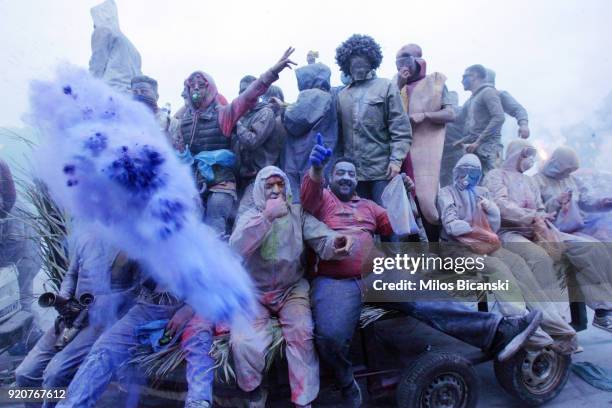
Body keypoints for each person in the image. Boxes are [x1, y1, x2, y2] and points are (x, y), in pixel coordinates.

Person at [301, 142, 542, 407]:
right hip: (336, 281)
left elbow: (400, 224)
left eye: (351, 174)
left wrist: (407, 197)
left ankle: (497, 332)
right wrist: (316, 168)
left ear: (357, 180)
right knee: (330, 337)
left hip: (376, 273)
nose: (346, 177)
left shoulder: (369, 206)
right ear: (331, 178)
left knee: (427, 296)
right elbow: (308, 196)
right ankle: (347, 383)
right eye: (340, 173)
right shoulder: (321, 200)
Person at [229, 166, 352, 408]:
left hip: (291, 289)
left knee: (302, 332)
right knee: (243, 341)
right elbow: (235, 248)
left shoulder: (297, 213)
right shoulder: (249, 214)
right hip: (254, 292)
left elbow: (321, 236)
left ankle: (303, 400)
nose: (276, 191)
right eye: (269, 186)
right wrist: (266, 216)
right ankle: (254, 390)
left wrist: (336, 242)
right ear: (259, 191)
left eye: (280, 185)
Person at [438, 154, 578, 352]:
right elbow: (452, 227)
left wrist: (491, 211)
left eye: (473, 173)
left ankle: (558, 329)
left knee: (519, 266)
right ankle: (519, 325)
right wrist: (476, 225)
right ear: (455, 172)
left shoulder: (482, 193)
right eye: (463, 172)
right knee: (498, 269)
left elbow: (493, 228)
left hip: (485, 244)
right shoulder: (447, 193)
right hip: (456, 250)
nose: (467, 178)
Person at [484, 140, 612, 332]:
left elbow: (541, 208)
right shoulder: (496, 176)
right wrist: (535, 214)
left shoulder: (528, 180)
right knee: (542, 258)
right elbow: (500, 205)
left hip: (540, 229)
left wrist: (544, 217)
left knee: (587, 247)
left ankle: (603, 311)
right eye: (527, 155)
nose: (530, 160)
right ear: (516, 154)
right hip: (510, 231)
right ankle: (555, 324)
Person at [172, 48, 296, 236]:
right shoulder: (184, 119)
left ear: (210, 88)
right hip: (194, 179)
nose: (196, 88)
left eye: (201, 85)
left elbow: (248, 96)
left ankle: (218, 261)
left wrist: (272, 72)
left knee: (216, 218)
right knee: (189, 221)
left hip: (221, 181)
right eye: (192, 85)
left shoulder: (224, 114)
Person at [56, 265, 216, 408]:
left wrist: (190, 308)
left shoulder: (202, 236)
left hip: (197, 307)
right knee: (103, 351)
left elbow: (221, 268)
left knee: (199, 340)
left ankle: (198, 401)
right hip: (148, 306)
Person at [15, 226, 138, 408]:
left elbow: (141, 291)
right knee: (24, 374)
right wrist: (63, 298)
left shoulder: (134, 242)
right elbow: (72, 274)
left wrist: (108, 302)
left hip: (101, 323)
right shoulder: (86, 235)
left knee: (55, 375)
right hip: (71, 317)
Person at [335, 34, 412, 205]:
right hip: (353, 175)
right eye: (354, 59)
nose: (358, 63)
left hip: (383, 172)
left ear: (372, 59)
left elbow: (401, 129)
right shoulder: (342, 96)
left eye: (363, 58)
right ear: (346, 63)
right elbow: (339, 138)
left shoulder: (386, 87)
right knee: (360, 224)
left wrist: (396, 160)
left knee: (388, 224)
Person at [394, 43, 455, 227]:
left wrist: (425, 116)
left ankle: (436, 248)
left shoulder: (435, 82)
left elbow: (451, 114)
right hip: (400, 153)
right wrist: (398, 85)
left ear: (419, 60)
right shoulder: (396, 85)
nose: (402, 65)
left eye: (406, 59)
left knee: (428, 202)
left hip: (427, 155)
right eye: (398, 61)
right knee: (404, 203)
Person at [281, 62, 338, 201]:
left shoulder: (313, 95)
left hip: (302, 154)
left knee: (299, 199)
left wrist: (283, 110)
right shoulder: (330, 96)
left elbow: (294, 118)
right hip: (322, 150)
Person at [234, 76, 286, 217]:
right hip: (242, 178)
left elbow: (252, 141)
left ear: (258, 92)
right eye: (241, 91)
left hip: (259, 178)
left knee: (243, 218)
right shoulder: (243, 115)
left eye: (248, 90)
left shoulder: (265, 113)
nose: (244, 94)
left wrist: (237, 124)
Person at [456, 64, 505, 174]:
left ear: (474, 76)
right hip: (476, 149)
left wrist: (478, 142)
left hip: (489, 149)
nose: (462, 81)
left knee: (492, 182)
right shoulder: (472, 99)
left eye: (464, 77)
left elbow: (499, 118)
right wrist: (463, 141)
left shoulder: (488, 92)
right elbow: (473, 127)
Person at [88, 0, 142, 92]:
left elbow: (97, 65)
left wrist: (86, 87)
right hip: (131, 97)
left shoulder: (103, 30)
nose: (93, 26)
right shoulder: (131, 47)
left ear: (99, 16)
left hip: (111, 91)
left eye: (94, 21)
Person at [130, 75, 179, 144]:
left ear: (156, 96)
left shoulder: (172, 123)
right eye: (135, 92)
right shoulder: (127, 121)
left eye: (144, 91)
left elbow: (178, 151)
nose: (139, 95)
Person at [485, 69, 530, 139]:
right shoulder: (472, 100)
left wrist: (523, 125)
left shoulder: (498, 94)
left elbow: (518, 109)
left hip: (490, 143)